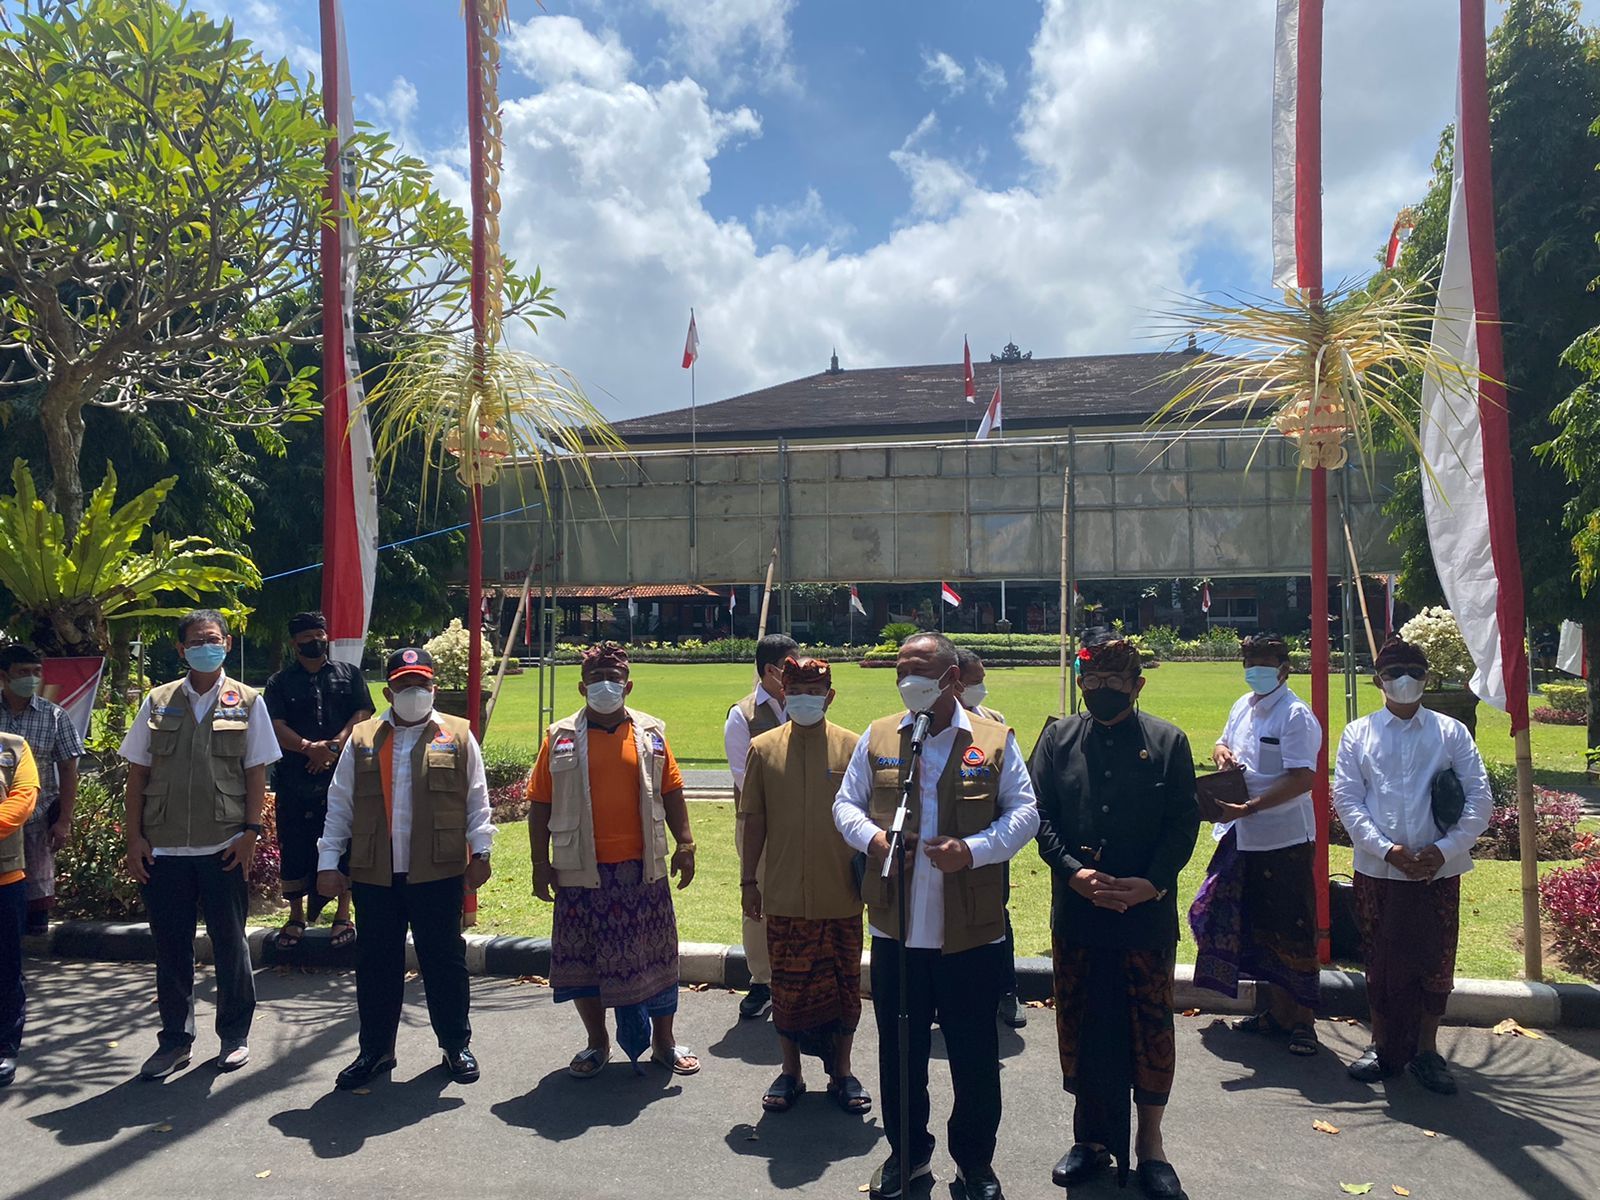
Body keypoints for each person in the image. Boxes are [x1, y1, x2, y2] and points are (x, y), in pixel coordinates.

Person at [834, 632, 1039, 1200]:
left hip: (969, 932)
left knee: (974, 1055)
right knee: (900, 1055)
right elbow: (845, 805)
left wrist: (972, 850)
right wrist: (874, 840)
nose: (908, 681)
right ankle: (907, 1156)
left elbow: (1024, 814)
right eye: (901, 671)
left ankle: (975, 1165)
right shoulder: (880, 736)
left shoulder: (994, 740)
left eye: (919, 671)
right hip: (898, 929)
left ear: (952, 677)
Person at [1030, 634, 1199, 1199]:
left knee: (1148, 1027)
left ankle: (1151, 1146)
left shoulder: (1168, 741)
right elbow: (1041, 815)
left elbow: (1183, 824)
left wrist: (1151, 884)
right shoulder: (1058, 738)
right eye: (1092, 683)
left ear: (1137, 685)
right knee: (1081, 1024)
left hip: (1144, 916)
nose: (1100, 692)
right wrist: (1073, 872)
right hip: (1079, 912)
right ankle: (1091, 1141)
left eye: (1112, 683)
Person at [317, 647, 494, 1089]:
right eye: (404, 685)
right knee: (376, 963)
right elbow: (339, 805)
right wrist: (327, 862)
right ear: (388, 690)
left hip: (438, 869)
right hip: (376, 871)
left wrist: (482, 852)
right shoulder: (362, 737)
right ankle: (376, 1051)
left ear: (433, 687)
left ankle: (456, 1044)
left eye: (421, 684)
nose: (413, 692)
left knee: (444, 960)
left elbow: (477, 799)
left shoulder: (457, 734)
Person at [119, 610, 280, 1079]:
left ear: (227, 644)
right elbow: (138, 774)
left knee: (230, 944)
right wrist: (134, 839)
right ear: (180, 649)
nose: (205, 647)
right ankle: (174, 1040)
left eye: (213, 639)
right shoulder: (158, 701)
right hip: (164, 848)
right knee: (170, 949)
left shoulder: (248, 701)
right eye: (195, 641)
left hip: (224, 844)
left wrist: (251, 833)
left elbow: (256, 774)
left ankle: (233, 1036)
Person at [529, 642, 701, 1079]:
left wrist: (686, 843)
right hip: (580, 870)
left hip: (641, 869)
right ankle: (597, 1042)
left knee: (657, 959)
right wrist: (538, 863)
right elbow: (540, 803)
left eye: (614, 679)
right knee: (582, 962)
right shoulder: (560, 737)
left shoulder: (651, 733)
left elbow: (671, 789)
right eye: (596, 679)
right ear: (581, 685)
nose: (606, 686)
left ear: (629, 685)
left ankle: (664, 1042)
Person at [1332, 636, 1492, 1095]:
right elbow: (1348, 800)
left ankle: (1426, 1049)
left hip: (1437, 870)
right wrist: (1387, 850)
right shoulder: (1358, 734)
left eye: (1414, 673)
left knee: (1434, 959)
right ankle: (1382, 1045)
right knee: (1380, 960)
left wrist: (1446, 848)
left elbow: (1479, 796)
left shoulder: (1451, 732)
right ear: (1377, 679)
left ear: (1427, 677)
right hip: (1379, 869)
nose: (1404, 682)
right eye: (1393, 673)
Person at [739, 656, 868, 1116]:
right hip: (785, 894)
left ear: (829, 696)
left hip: (841, 894)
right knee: (788, 988)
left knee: (844, 985)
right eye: (796, 692)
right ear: (783, 695)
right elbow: (753, 819)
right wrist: (748, 881)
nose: (805, 701)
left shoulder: (855, 748)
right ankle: (790, 1070)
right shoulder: (763, 748)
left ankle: (843, 1072)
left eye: (814, 693)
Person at [1188, 632, 1322, 1054]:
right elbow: (1222, 742)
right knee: (1251, 925)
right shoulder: (1242, 707)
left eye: (1263, 664)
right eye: (1249, 663)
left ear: (1284, 669)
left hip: (1283, 838)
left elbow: (1304, 778)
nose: (1255, 671)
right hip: (1239, 834)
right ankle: (1275, 1013)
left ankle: (1302, 1022)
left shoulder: (1295, 715)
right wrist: (1222, 753)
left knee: (1290, 928)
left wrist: (1251, 807)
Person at [263, 612, 375, 950]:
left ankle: (343, 914)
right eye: (308, 637)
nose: (316, 641)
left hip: (341, 776)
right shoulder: (279, 683)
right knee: (294, 845)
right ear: (294, 644)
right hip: (294, 780)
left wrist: (334, 747)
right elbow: (274, 723)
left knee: (345, 843)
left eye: (320, 634)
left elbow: (362, 713)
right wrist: (308, 748)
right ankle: (296, 915)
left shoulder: (349, 674)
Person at [724, 632, 797, 1021]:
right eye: (792, 665)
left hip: (800, 821)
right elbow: (743, 777)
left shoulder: (805, 704)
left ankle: (793, 973)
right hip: (759, 824)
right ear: (772, 670)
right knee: (759, 902)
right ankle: (761, 980)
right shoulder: (742, 715)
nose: (799, 671)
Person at [957, 647, 1026, 1031]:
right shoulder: (926, 724)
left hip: (989, 839)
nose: (981, 688)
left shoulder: (994, 721)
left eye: (983, 679)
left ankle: (1006, 990)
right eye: (974, 681)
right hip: (946, 842)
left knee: (996, 914)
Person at [0, 645, 84, 937]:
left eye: (37, 673)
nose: (32, 679)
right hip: (0, 823)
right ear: (3, 677)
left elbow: (69, 770)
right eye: (23, 673)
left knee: (32, 909)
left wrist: (64, 821)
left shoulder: (54, 716)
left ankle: (22, 960)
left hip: (36, 819)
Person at [1, 732, 40, 1087]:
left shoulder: (13, 747)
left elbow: (22, 802)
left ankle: (5, 1048)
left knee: (6, 969)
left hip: (5, 877)